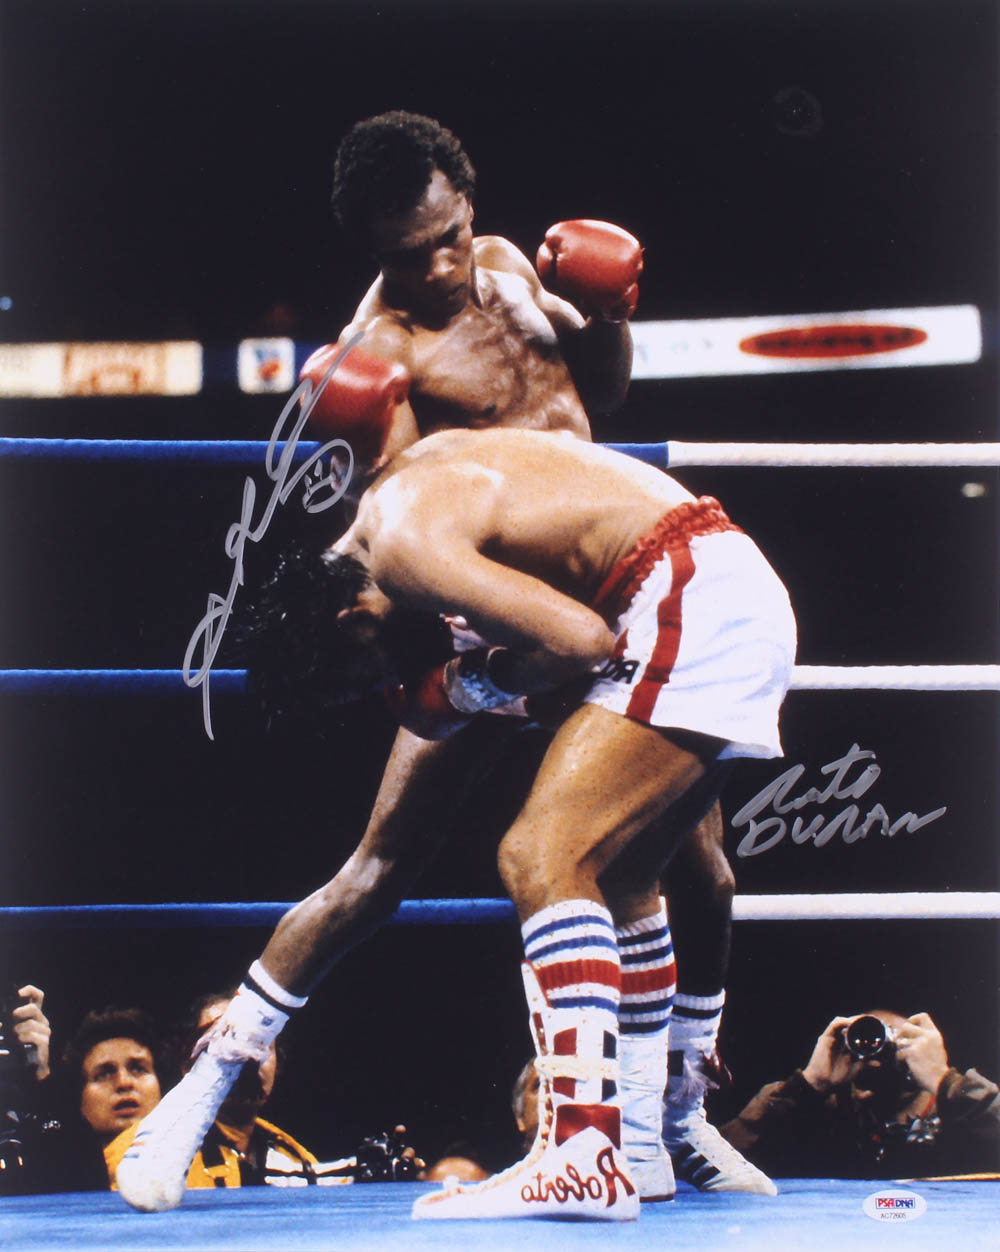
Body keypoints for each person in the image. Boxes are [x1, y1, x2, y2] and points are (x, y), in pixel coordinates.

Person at [117, 423, 795, 1220]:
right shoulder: (405, 533)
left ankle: (584, 1150)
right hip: (687, 595)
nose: (390, 694)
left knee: (542, 853)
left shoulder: (405, 547)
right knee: (620, 874)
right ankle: (636, 1146)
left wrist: (467, 686)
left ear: (354, 622)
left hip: (673, 602)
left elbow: (581, 641)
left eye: (369, 679)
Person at [298, 110, 768, 1197]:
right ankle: (588, 1140)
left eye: (448, 238)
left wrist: (609, 312)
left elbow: (601, 391)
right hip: (507, 616)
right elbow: (410, 525)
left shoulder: (510, 264)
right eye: (406, 256)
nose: (437, 268)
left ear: (469, 204)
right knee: (410, 862)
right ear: (371, 252)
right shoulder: (377, 357)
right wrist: (474, 672)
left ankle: (676, 1115)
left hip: (623, 588)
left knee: (698, 869)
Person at [102, 991, 423, 1189]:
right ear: (188, 1065)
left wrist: (375, 1184)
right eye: (226, 1040)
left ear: (277, 1065)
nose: (248, 1056)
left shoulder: (295, 1157)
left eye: (261, 1044)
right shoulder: (143, 1150)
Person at [720, 1010, 1000, 1179]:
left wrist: (943, 1080)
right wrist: (808, 1084)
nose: (880, 1055)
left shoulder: (959, 1110)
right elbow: (719, 1159)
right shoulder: (829, 1110)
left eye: (899, 1041)